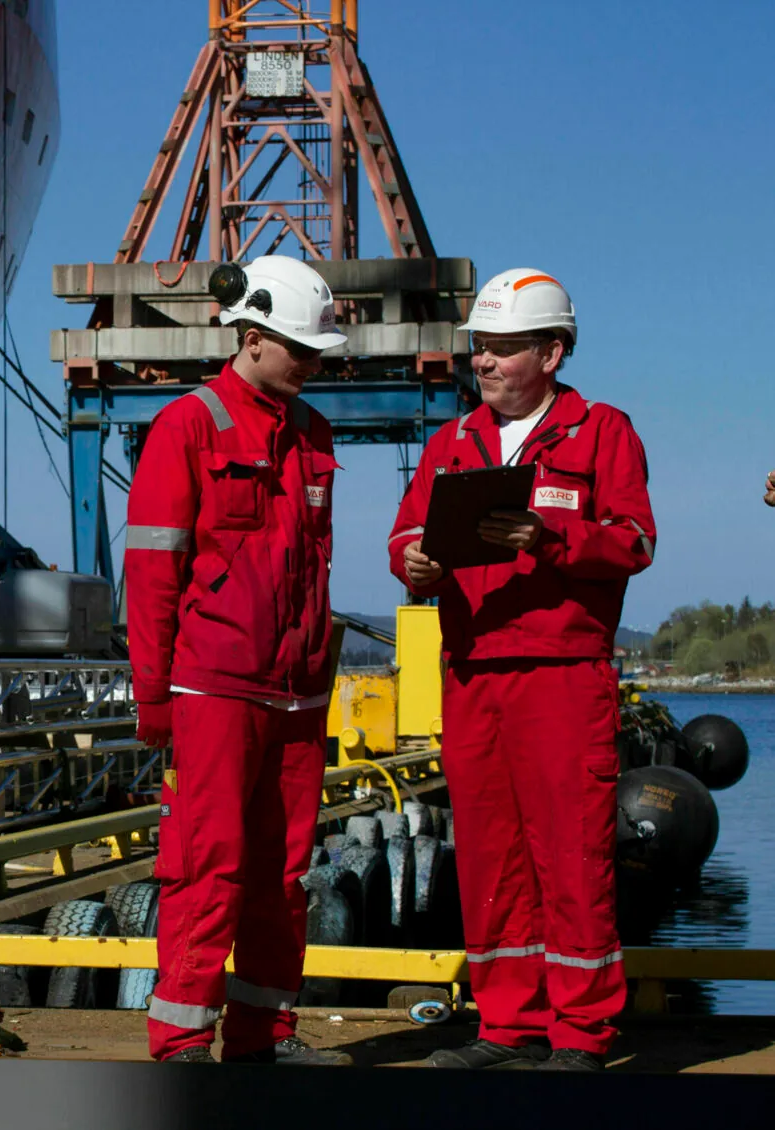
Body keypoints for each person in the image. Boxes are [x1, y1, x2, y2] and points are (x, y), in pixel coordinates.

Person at [387, 269, 656, 1072]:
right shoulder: (452, 442)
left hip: (563, 673)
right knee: (491, 855)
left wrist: (550, 539)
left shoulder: (601, 432)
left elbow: (635, 541)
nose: (487, 362)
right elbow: (405, 539)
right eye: (482, 348)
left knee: (572, 855)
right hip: (473, 672)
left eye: (505, 349)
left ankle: (580, 1034)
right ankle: (505, 1026)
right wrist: (418, 564)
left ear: (553, 351)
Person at [125, 255, 352, 1065]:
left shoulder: (312, 434)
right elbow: (153, 573)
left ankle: (264, 1034)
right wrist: (154, 698)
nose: (315, 361)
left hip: (294, 691)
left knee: (281, 874)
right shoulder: (189, 425)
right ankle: (181, 1043)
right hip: (215, 686)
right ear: (251, 337)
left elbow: (312, 566)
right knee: (206, 867)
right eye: (302, 347)